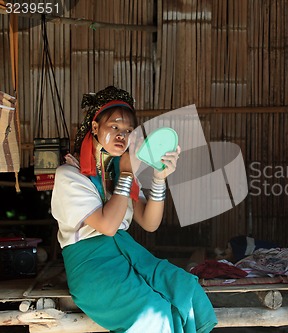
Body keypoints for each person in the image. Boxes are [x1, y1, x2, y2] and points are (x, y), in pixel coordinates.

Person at [51, 86, 217, 333]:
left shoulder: (121, 173)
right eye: (114, 127)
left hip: (130, 255)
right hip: (92, 269)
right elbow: (107, 226)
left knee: (186, 289)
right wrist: (128, 174)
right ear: (95, 128)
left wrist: (159, 178)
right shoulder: (70, 176)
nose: (122, 136)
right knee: (153, 313)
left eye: (128, 131)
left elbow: (149, 223)